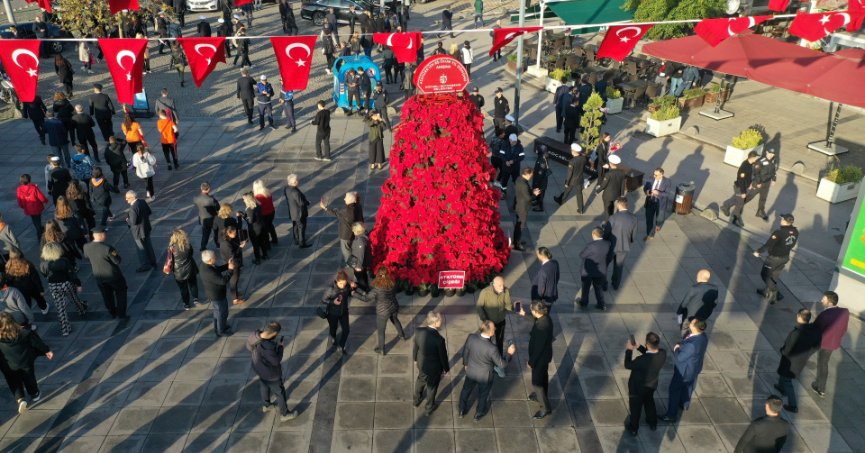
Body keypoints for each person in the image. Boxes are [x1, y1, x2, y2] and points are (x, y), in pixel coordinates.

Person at [459, 320, 516, 421]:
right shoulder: (492, 348)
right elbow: (502, 364)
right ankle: (479, 413)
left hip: (471, 372)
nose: (495, 329)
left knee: (466, 390)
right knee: (483, 394)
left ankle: (461, 410)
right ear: (490, 332)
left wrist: (466, 364)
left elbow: (465, 352)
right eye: (494, 328)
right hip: (485, 376)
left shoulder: (471, 337)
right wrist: (509, 354)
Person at [0, 313, 53, 414]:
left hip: (8, 366)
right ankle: (34, 394)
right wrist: (47, 351)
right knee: (29, 378)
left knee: (13, 382)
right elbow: (37, 343)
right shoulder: (25, 332)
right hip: (25, 362)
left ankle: (20, 399)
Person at [246, 321, 298, 421]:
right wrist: (280, 348)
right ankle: (285, 414)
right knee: (280, 393)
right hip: (271, 374)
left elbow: (248, 347)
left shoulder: (254, 335)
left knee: (264, 386)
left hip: (259, 369)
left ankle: (266, 405)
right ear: (274, 333)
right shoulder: (268, 348)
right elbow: (276, 361)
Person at [660, 319, 709, 422]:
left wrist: (677, 348)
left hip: (684, 371)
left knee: (674, 389)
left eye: (692, 322)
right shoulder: (703, 336)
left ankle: (671, 415)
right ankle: (684, 403)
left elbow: (679, 358)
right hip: (695, 368)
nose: (690, 323)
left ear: (694, 327)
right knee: (689, 386)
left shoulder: (691, 345)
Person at [774, 308, 821, 413]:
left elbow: (787, 350)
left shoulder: (795, 333)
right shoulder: (815, 331)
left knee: (787, 380)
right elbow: (817, 346)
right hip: (800, 360)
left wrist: (782, 351)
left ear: (799, 317)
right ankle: (781, 387)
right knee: (784, 374)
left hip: (790, 361)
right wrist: (807, 354)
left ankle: (793, 405)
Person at [39, 242, 87, 336]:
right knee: (73, 298)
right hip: (65, 283)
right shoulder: (64, 261)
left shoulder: (43, 264)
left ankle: (65, 329)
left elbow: (44, 274)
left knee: (60, 307)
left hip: (53, 286)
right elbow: (71, 274)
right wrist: (78, 284)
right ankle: (81, 309)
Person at [624, 331, 666, 435]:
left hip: (637, 388)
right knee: (649, 402)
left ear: (647, 344)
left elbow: (628, 365)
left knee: (635, 408)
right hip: (652, 385)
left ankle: (634, 428)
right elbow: (650, 354)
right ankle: (652, 422)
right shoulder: (662, 353)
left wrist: (629, 350)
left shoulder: (640, 360)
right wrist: (639, 347)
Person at [752, 214, 798, 305]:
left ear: (785, 221)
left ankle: (776, 293)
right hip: (785, 257)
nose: (780, 220)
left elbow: (768, 245)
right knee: (774, 276)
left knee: (765, 275)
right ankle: (767, 292)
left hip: (774, 259)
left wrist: (758, 251)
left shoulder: (779, 232)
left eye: (782, 219)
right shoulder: (795, 231)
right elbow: (792, 245)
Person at [82, 228, 128, 318]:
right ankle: (121, 313)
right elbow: (117, 261)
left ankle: (112, 312)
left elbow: (87, 257)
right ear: (102, 235)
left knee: (107, 296)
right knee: (121, 292)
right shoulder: (108, 248)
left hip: (99, 276)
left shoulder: (86, 247)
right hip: (113, 276)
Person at [812, 291, 849, 398]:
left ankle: (821, 388)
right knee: (824, 362)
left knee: (823, 364)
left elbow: (815, 329)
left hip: (825, 343)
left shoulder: (824, 315)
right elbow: (844, 328)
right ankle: (820, 386)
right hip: (834, 342)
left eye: (823, 299)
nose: (821, 300)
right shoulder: (845, 312)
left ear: (830, 302)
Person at [413, 311, 449, 415]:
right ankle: (429, 408)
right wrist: (446, 369)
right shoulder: (439, 339)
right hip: (434, 368)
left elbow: (416, 347)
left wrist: (415, 359)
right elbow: (443, 357)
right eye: (440, 320)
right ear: (435, 322)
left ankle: (416, 400)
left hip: (421, 363)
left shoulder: (418, 331)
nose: (442, 321)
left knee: (420, 380)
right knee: (431, 387)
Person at [522, 301, 554, 419]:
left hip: (540, 359)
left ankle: (545, 408)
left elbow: (538, 348)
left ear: (536, 311)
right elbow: (536, 319)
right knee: (543, 377)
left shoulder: (541, 327)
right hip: (545, 356)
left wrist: (531, 362)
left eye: (531, 310)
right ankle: (542, 396)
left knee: (536, 383)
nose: (531, 311)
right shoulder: (546, 318)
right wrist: (524, 314)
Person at [369, 267, 406, 355]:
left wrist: (354, 293)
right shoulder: (392, 283)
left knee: (381, 331)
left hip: (383, 312)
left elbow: (366, 298)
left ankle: (381, 349)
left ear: (378, 275)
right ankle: (402, 335)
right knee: (395, 320)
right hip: (393, 307)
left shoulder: (376, 288)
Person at [200, 249, 236, 337]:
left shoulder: (206, 265)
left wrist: (227, 265)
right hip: (217, 296)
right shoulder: (209, 272)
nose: (216, 258)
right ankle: (221, 331)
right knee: (222, 313)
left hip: (215, 294)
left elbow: (217, 269)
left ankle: (218, 327)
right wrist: (230, 270)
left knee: (217, 312)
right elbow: (223, 281)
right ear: (209, 260)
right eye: (214, 257)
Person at [720, 151, 759, 227]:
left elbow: (749, 176)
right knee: (740, 204)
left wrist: (750, 184)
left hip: (745, 186)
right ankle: (735, 218)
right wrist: (743, 192)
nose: (757, 159)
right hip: (740, 187)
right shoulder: (744, 166)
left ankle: (725, 206)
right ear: (752, 157)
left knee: (736, 199)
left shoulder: (751, 164)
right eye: (756, 157)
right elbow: (741, 180)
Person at [4, 249, 49, 315]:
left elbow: (8, 280)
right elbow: (36, 279)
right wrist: (41, 290)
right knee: (39, 298)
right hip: (32, 288)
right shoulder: (28, 265)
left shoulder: (8, 266)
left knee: (26, 303)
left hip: (20, 290)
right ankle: (44, 308)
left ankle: (28, 314)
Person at [476, 276, 512, 356]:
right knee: (487, 341)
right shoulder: (485, 292)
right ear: (494, 284)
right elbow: (479, 306)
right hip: (489, 322)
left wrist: (515, 308)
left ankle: (499, 357)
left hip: (500, 321)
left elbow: (508, 305)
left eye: (503, 285)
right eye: (500, 285)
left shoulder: (506, 291)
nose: (502, 287)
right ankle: (487, 357)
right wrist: (485, 320)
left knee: (500, 341)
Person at [321, 192, 362, 263]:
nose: (344, 199)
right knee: (353, 248)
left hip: (346, 235)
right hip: (356, 232)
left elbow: (335, 213)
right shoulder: (358, 206)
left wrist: (325, 208)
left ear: (350, 199)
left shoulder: (345, 211)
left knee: (346, 251)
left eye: (346, 197)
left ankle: (352, 264)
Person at [676, 269, 718, 336]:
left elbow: (685, 302)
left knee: (685, 329)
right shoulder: (715, 288)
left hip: (690, 315)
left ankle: (686, 338)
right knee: (698, 328)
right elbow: (715, 302)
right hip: (704, 315)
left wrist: (679, 312)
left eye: (697, 275)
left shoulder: (694, 288)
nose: (696, 277)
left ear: (700, 276)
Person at [607, 197, 637, 290]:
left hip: (611, 246)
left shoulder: (613, 218)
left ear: (619, 205)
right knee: (619, 267)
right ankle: (615, 285)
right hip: (624, 246)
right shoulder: (634, 218)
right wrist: (629, 242)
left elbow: (606, 233)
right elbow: (633, 236)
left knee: (605, 264)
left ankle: (603, 284)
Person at [578, 227, 610, 310]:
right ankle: (601, 304)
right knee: (598, 288)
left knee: (586, 288)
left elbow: (582, 255)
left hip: (588, 271)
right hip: (600, 271)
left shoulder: (591, 245)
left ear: (594, 234)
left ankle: (584, 302)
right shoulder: (607, 243)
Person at [167, 229, 200, 310]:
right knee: (193, 284)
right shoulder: (188, 245)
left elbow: (170, 259)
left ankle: (186, 303)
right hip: (190, 268)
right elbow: (191, 254)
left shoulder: (172, 248)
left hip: (178, 271)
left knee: (183, 288)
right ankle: (195, 299)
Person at [125, 190, 157, 272]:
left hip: (138, 232)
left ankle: (145, 265)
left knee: (141, 249)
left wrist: (128, 220)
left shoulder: (133, 208)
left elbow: (133, 222)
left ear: (132, 198)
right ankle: (152, 261)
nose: (126, 200)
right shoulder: (142, 201)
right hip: (146, 228)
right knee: (148, 245)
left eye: (127, 198)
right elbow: (149, 212)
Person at [322, 270, 352, 354]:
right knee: (333, 328)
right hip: (332, 313)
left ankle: (341, 345)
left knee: (346, 330)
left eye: (344, 283)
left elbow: (349, 293)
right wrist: (332, 302)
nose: (342, 285)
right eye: (341, 283)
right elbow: (323, 300)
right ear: (337, 281)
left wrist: (353, 288)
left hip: (344, 312)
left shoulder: (347, 287)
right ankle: (334, 337)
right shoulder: (331, 290)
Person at [553, 143, 587, 212]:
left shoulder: (572, 161)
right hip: (580, 179)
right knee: (579, 194)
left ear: (574, 151)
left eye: (571, 150)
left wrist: (567, 182)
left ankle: (561, 201)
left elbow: (569, 174)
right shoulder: (584, 158)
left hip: (572, 180)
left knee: (566, 191)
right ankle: (581, 209)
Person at [512, 168, 538, 252]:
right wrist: (535, 194)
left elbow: (524, 192)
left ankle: (516, 241)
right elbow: (528, 199)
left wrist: (531, 191)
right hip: (522, 208)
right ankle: (517, 244)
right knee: (520, 226)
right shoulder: (524, 185)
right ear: (528, 174)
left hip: (518, 205)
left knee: (518, 225)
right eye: (531, 175)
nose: (532, 176)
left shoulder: (519, 179)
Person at [16, 174, 49, 240]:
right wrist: (45, 200)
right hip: (36, 207)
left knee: (34, 219)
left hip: (28, 208)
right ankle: (40, 234)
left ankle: (39, 228)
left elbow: (19, 200)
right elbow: (41, 197)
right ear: (29, 180)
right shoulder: (33, 188)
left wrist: (23, 206)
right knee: (38, 220)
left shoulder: (19, 189)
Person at [219, 224, 246, 304]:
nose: (236, 234)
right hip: (233, 264)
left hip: (235, 262)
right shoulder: (226, 244)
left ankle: (235, 293)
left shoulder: (229, 239)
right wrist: (240, 247)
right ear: (229, 233)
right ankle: (235, 299)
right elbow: (232, 255)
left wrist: (239, 244)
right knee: (234, 280)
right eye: (234, 233)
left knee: (235, 279)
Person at [240, 192, 269, 265]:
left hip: (254, 230)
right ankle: (265, 255)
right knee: (262, 242)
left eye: (244, 199)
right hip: (261, 226)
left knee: (255, 245)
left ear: (247, 200)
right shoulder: (258, 204)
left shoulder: (249, 209)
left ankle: (257, 259)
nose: (243, 201)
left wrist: (243, 217)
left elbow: (250, 221)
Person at [284, 175, 311, 248]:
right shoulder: (295, 192)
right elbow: (301, 203)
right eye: (297, 180)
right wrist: (307, 202)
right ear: (294, 182)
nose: (298, 181)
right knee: (301, 227)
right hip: (299, 213)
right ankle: (302, 243)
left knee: (295, 226)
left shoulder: (286, 188)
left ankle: (296, 239)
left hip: (292, 211)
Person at [644, 167, 672, 240]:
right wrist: (646, 191)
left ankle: (658, 224)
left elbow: (667, 194)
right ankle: (650, 235)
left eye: (656, 175)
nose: (654, 176)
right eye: (654, 174)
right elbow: (645, 187)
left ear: (661, 175)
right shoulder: (651, 179)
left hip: (660, 204)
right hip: (650, 202)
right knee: (649, 219)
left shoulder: (667, 182)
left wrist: (658, 193)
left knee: (660, 219)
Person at [193, 182, 220, 251]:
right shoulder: (211, 199)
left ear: (201, 188)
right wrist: (215, 200)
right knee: (216, 233)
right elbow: (218, 208)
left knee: (205, 234)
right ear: (209, 189)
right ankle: (218, 244)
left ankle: (203, 247)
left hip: (203, 219)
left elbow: (197, 205)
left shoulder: (195, 198)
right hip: (213, 219)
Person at [752, 149, 777, 221]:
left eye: (773, 154)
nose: (771, 155)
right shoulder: (760, 161)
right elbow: (756, 173)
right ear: (766, 152)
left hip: (766, 183)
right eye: (770, 153)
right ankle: (734, 205)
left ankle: (760, 212)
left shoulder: (773, 161)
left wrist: (774, 179)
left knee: (763, 198)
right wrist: (758, 182)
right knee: (749, 196)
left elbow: (773, 171)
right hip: (758, 183)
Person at [253, 180, 278, 246]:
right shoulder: (268, 192)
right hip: (271, 212)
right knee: (270, 225)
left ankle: (267, 242)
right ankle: (274, 238)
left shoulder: (257, 197)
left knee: (265, 228)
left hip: (264, 214)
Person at [349, 223, 371, 292]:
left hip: (358, 263)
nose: (352, 231)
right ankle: (366, 287)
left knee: (359, 277)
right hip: (360, 261)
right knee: (363, 274)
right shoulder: (361, 237)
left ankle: (365, 289)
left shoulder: (360, 241)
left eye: (353, 230)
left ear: (357, 231)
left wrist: (358, 266)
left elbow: (360, 254)